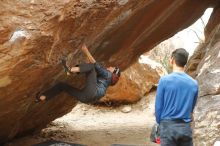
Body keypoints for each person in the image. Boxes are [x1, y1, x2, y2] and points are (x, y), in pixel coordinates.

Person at [36, 44, 121, 104]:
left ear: (113, 72)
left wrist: (86, 51)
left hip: (92, 92)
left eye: (112, 67)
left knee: (92, 67)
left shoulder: (108, 75)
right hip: (86, 99)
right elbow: (89, 68)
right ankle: (42, 98)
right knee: (62, 86)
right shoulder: (107, 81)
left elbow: (95, 66)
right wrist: (87, 57)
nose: (110, 66)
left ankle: (69, 70)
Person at [155, 48, 198, 146]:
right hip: (185, 127)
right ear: (185, 62)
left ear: (172, 60)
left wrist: (160, 123)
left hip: (167, 127)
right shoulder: (194, 83)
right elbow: (191, 108)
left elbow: (158, 107)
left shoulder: (164, 80)